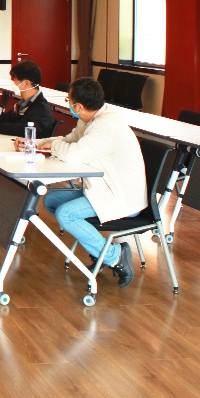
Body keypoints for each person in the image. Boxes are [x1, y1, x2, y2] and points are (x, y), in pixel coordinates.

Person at [35, 77, 144, 287]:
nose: (68, 105)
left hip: (121, 196)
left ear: (79, 106)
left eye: (69, 101)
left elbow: (73, 154)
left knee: (66, 214)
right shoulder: (89, 119)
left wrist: (53, 147)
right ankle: (99, 250)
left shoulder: (106, 126)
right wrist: (36, 143)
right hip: (101, 188)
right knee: (51, 201)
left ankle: (114, 256)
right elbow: (69, 141)